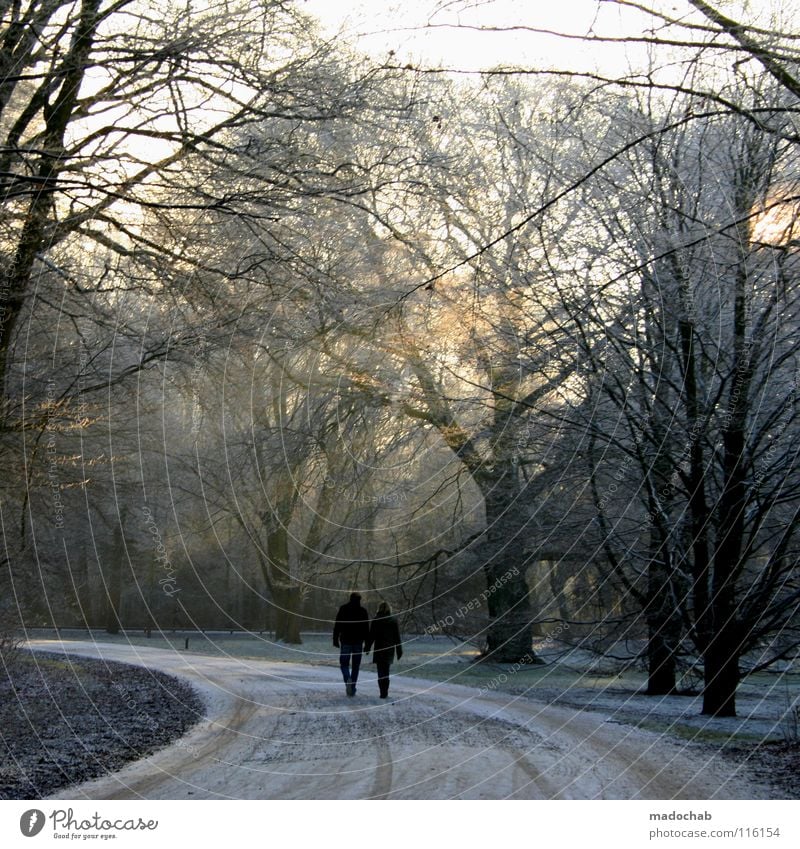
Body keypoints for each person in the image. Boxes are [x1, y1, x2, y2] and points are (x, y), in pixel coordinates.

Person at [332, 592, 370, 696]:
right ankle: (352, 687)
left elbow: (337, 625)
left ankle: (347, 678)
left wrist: (335, 639)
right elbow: (366, 629)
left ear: (350, 599)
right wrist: (367, 645)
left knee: (344, 664)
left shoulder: (343, 609)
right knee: (356, 666)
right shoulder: (363, 611)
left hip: (346, 641)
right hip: (358, 642)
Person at [365, 601, 403, 699]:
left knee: (380, 671)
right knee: (386, 671)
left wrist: (367, 647)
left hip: (379, 648)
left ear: (379, 609)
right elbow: (396, 637)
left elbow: (371, 636)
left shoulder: (376, 620)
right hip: (389, 649)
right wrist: (399, 650)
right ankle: (385, 691)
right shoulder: (393, 620)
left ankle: (382, 691)